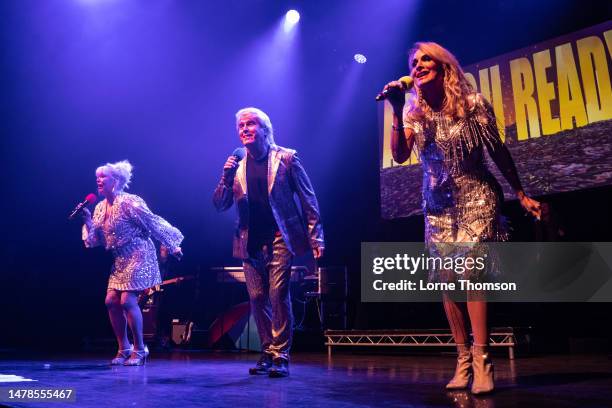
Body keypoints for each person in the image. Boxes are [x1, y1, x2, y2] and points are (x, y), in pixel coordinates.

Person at [381, 42, 540, 394]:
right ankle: (463, 358)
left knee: (472, 275)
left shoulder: (472, 105)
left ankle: (483, 360)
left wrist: (520, 192)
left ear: (443, 67)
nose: (418, 65)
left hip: (477, 196)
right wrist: (395, 108)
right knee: (447, 281)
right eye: (413, 62)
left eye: (425, 59)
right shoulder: (412, 110)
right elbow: (399, 153)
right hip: (438, 205)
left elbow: (498, 150)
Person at [213, 107, 325, 377]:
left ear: (264, 129)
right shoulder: (237, 165)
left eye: (250, 124)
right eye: (241, 126)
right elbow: (219, 205)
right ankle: (267, 350)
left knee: (277, 294)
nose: (244, 130)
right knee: (256, 296)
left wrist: (316, 237)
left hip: (280, 237)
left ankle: (281, 354)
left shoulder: (286, 158)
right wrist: (226, 179)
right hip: (248, 240)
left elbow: (309, 201)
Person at [82, 160, 184, 366]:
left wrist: (172, 245)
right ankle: (124, 347)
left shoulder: (130, 202)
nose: (99, 180)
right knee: (111, 301)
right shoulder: (100, 208)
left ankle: (140, 348)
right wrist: (87, 221)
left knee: (127, 301)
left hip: (140, 254)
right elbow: (93, 242)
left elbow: (152, 222)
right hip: (120, 260)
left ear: (116, 180)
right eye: (97, 177)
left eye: (103, 176)